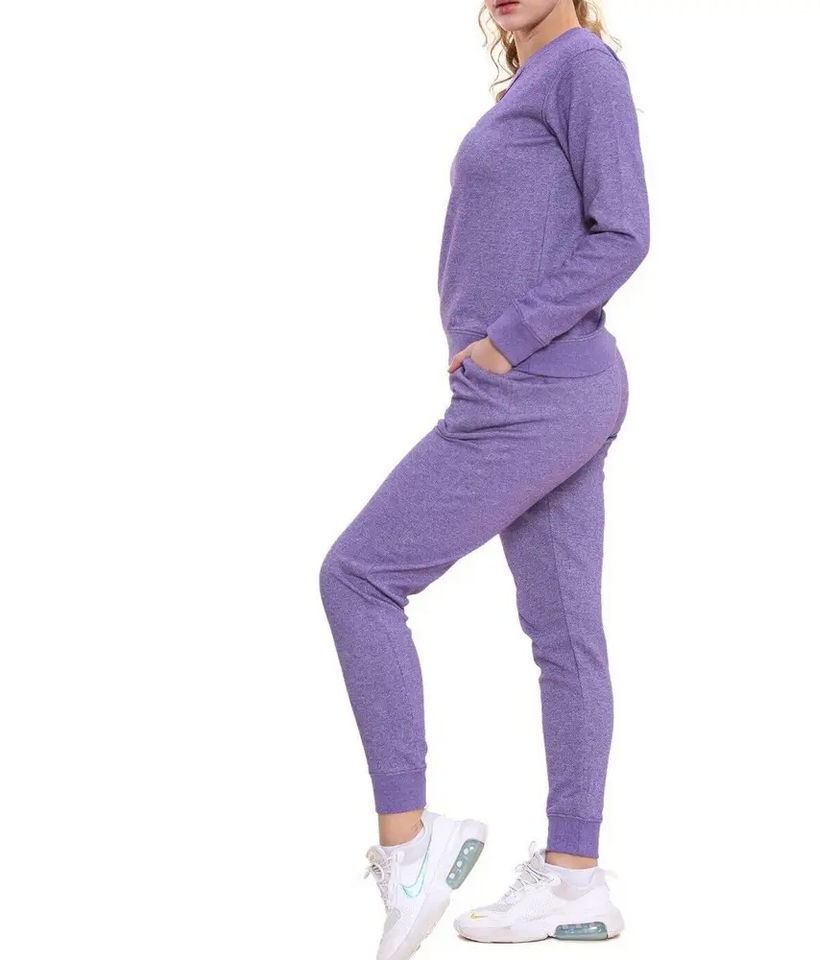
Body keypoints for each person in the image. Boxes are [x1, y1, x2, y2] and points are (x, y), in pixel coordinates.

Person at [319, 1, 650, 955]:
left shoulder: (584, 69)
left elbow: (624, 232)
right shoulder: (535, 79)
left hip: (538, 390)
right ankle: (575, 881)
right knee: (566, 636)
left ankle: (411, 845)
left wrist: (504, 343)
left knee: (358, 577)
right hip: (546, 389)